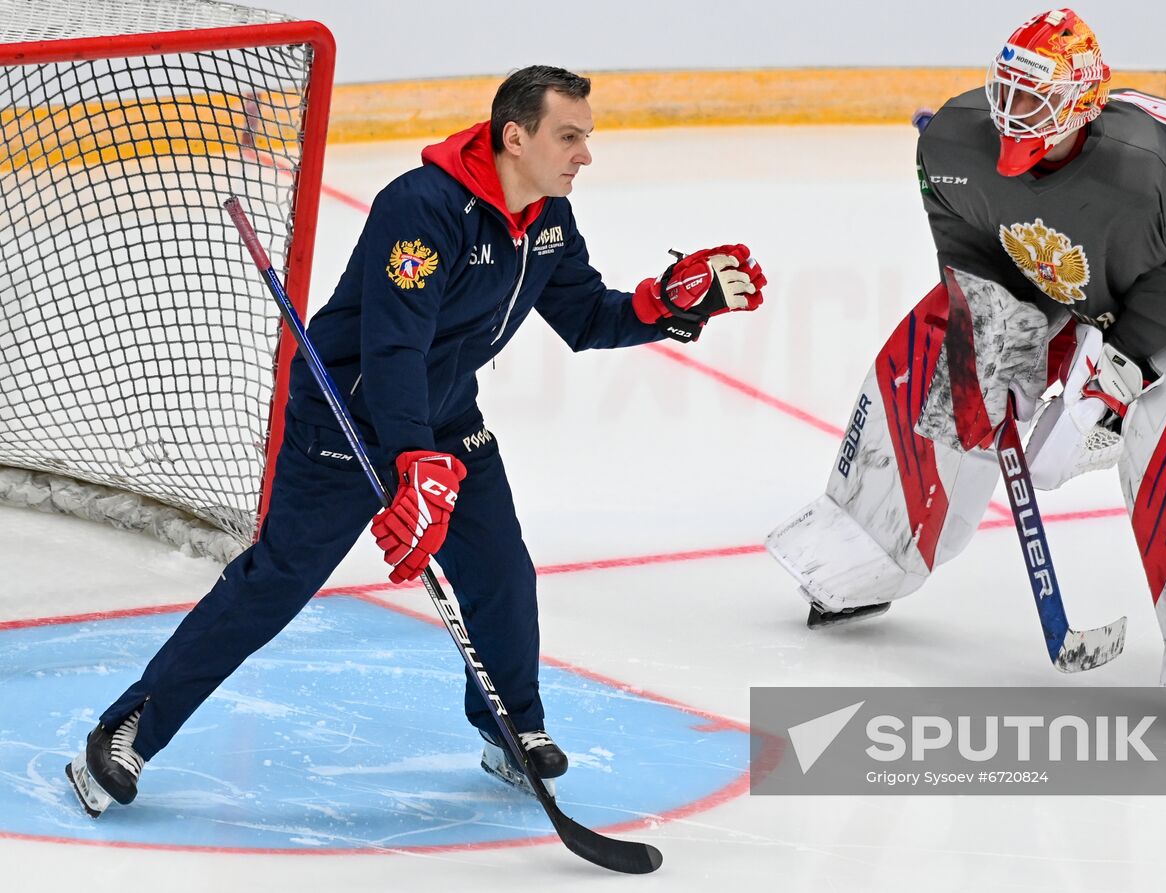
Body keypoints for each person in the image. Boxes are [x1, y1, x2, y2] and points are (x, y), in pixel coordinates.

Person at [67, 65, 766, 816]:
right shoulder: (422, 207)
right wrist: (411, 461)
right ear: (515, 136)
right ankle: (130, 725)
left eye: (585, 138)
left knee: (501, 572)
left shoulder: (550, 220)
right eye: (570, 136)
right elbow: (394, 347)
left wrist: (664, 307)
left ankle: (512, 728)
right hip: (350, 417)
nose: (583, 154)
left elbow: (588, 317)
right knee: (276, 583)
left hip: (443, 416)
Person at [766, 8, 1166, 730]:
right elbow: (967, 242)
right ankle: (868, 543)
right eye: (1006, 88)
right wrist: (994, 339)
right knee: (941, 360)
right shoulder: (954, 138)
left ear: (1081, 101)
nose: (1011, 111)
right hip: (1064, 248)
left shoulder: (1153, 176)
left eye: (1034, 94)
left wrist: (1109, 384)